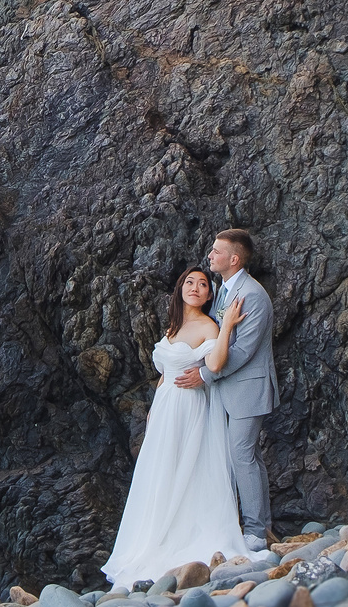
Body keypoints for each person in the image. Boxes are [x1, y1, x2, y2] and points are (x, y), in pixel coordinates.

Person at [100, 266, 250, 587]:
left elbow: (215, 364)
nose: (195, 287)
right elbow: (166, 374)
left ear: (210, 295)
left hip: (189, 408)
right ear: (181, 288)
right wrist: (154, 409)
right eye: (190, 282)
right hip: (165, 409)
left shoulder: (208, 325)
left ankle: (186, 544)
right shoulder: (173, 326)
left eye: (203, 284)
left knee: (188, 471)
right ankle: (154, 536)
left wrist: (226, 328)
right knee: (161, 474)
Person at [175, 228, 274, 548]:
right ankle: (259, 525)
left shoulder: (253, 295)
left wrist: (204, 375)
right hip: (226, 391)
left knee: (241, 455)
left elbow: (243, 351)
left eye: (217, 251)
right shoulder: (221, 290)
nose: (210, 255)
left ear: (234, 259)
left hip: (247, 389)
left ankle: (256, 532)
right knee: (245, 457)